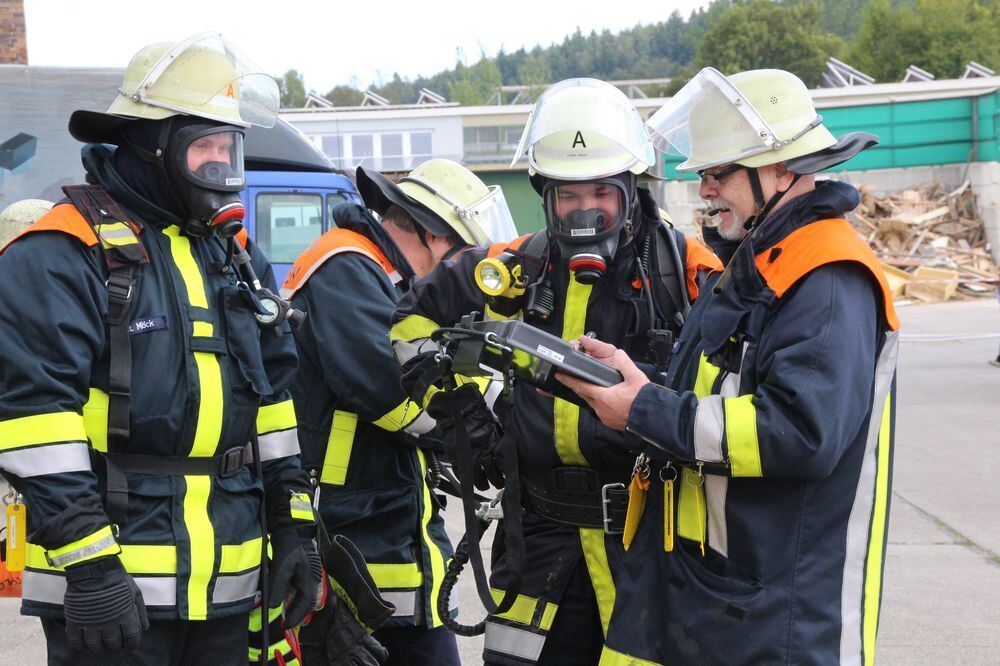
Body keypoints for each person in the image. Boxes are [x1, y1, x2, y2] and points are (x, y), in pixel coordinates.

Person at [556, 67, 899, 665]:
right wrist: (638, 381)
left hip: (775, 616)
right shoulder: (757, 263)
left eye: (718, 174)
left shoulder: (827, 278)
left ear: (781, 169)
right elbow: (717, 392)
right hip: (718, 597)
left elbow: (799, 432)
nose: (706, 189)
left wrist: (644, 408)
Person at [0, 33, 324, 664]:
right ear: (150, 147)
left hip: (228, 591)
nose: (220, 168)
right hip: (110, 596)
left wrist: (294, 528)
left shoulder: (234, 258)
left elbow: (274, 404)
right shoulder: (60, 252)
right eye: (203, 147)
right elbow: (32, 418)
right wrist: (90, 567)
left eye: (228, 149)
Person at [389, 78, 721, 665]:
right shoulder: (510, 267)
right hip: (536, 544)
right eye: (569, 195)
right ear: (546, 197)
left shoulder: (687, 272)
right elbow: (410, 330)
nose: (584, 210)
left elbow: (724, 394)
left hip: (649, 542)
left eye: (601, 192)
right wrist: (471, 415)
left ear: (629, 191)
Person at [279, 159, 517, 665]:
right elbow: (397, 393)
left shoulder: (382, 277)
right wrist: (491, 434)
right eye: (461, 259)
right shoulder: (344, 267)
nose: (459, 280)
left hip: (386, 531)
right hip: (349, 538)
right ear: (433, 236)